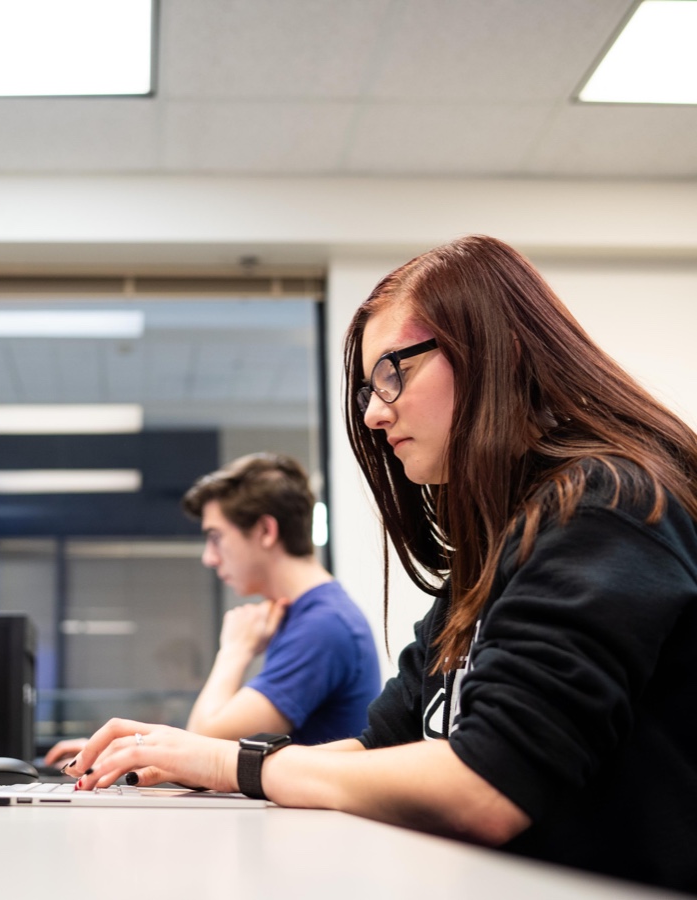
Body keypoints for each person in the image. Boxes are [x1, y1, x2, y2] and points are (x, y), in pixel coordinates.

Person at [64, 235, 697, 894]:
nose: (372, 412)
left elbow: (488, 785)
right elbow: (385, 746)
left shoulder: (606, 504)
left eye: (395, 372)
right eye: (368, 387)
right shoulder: (494, 553)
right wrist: (200, 758)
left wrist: (232, 764)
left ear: (494, 351)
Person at [43, 453, 379, 766]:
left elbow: (204, 743)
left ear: (265, 531)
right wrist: (125, 749)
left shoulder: (322, 626)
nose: (209, 557)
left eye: (216, 537)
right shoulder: (307, 615)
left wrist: (234, 650)